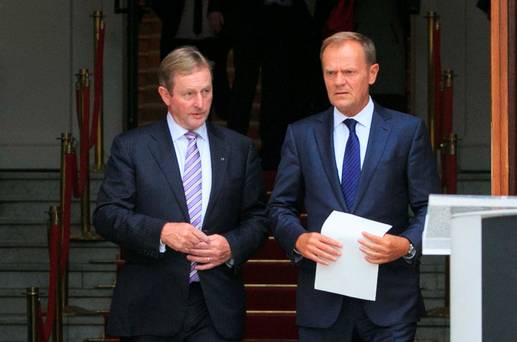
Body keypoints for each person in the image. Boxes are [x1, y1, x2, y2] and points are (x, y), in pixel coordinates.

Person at [268, 32, 440, 341]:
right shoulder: (301, 134)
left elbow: (431, 208)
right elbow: (280, 206)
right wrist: (299, 239)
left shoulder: (406, 131)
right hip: (323, 302)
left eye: (348, 72)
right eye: (330, 72)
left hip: (389, 303)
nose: (338, 81)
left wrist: (405, 245)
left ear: (372, 73)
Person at [93, 46, 269, 341]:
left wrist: (230, 245)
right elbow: (106, 215)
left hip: (215, 307)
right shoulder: (132, 147)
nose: (201, 103)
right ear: (165, 95)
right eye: (189, 94)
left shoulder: (239, 149)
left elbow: (259, 217)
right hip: (150, 306)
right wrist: (162, 232)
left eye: (207, 91)